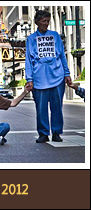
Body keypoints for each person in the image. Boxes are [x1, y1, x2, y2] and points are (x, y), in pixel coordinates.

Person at [25, 10, 72, 143]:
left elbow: (62, 55)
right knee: (41, 109)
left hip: (57, 76)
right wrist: (29, 79)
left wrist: (67, 73)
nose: (46, 24)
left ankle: (56, 132)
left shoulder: (55, 36)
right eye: (43, 21)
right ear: (37, 22)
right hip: (39, 78)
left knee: (57, 107)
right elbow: (28, 60)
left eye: (48, 21)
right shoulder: (31, 39)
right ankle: (43, 133)